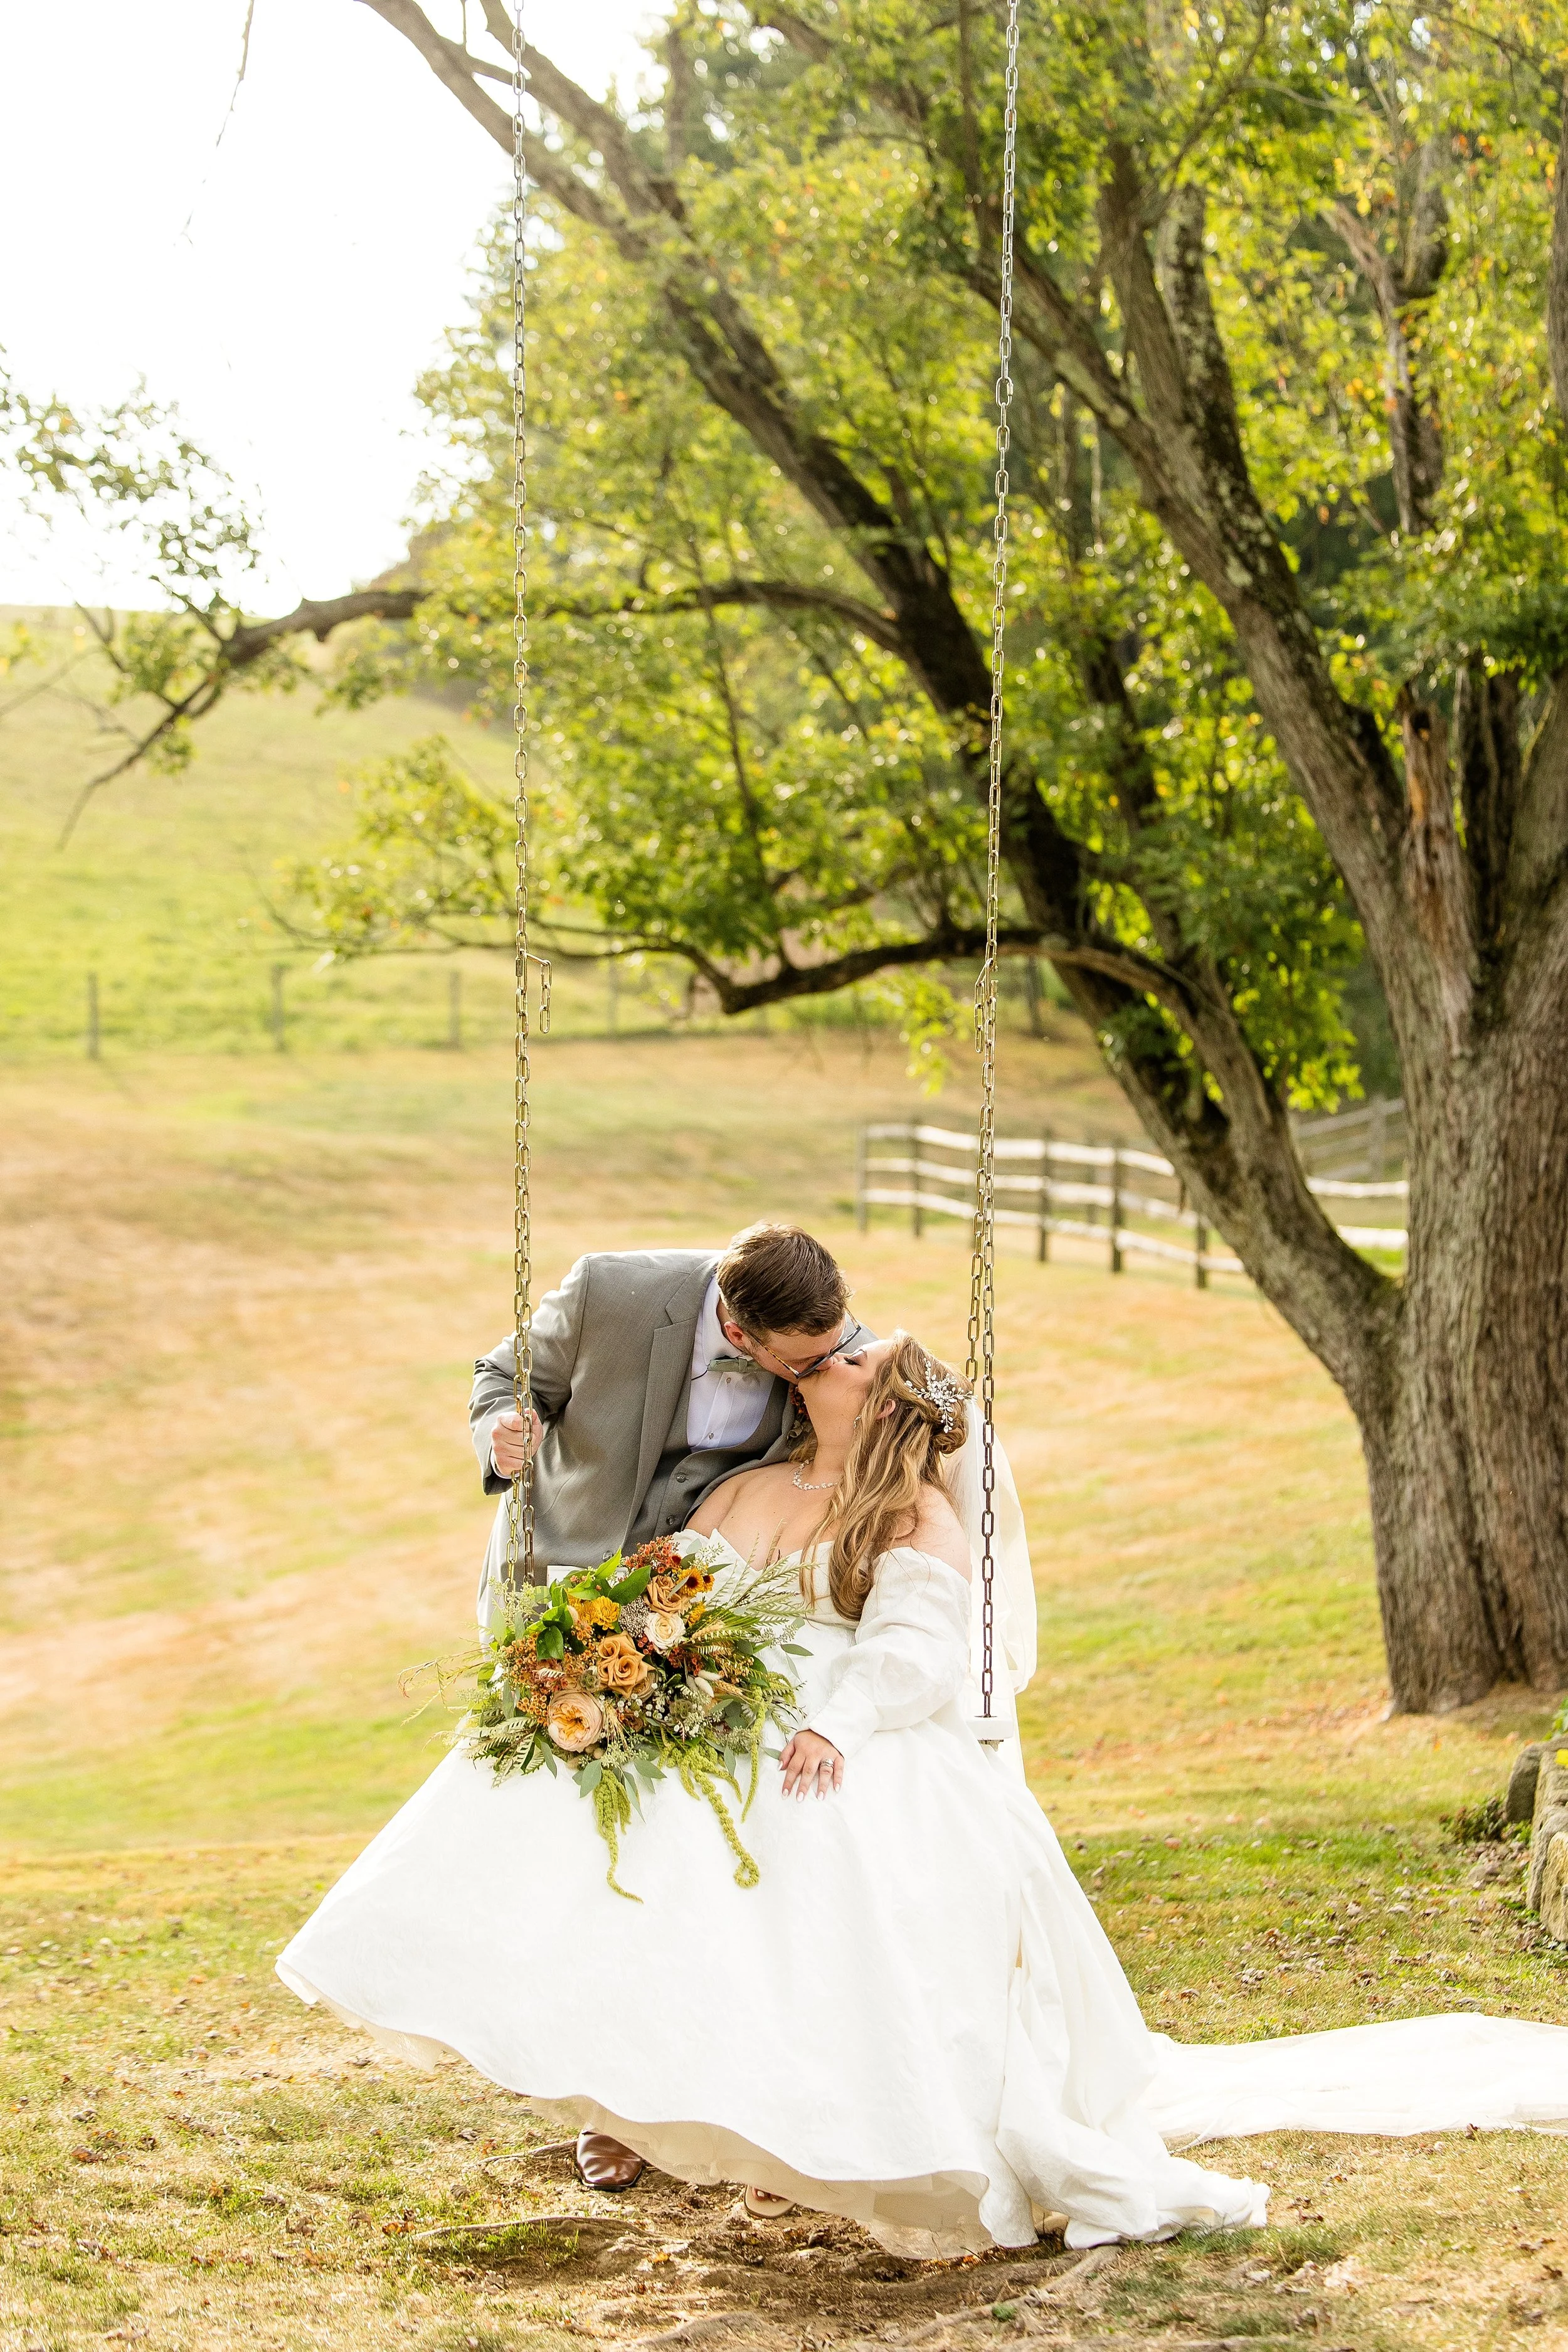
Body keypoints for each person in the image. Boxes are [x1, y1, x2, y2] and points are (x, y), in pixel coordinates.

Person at [278, 1335, 1568, 2250]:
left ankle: (814, 2108)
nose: (819, 1358)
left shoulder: (906, 1520)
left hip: (849, 1728)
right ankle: (576, 2051)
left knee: (816, 1838)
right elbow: (682, 1580)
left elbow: (914, 1655)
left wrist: (830, 1722)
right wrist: (603, 1641)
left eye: (844, 1356)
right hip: (732, 1704)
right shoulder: (748, 1487)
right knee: (568, 1771)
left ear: (883, 1398)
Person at [465, 1219, 871, 2189]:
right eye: (806, 1360)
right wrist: (501, 1432)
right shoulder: (610, 1289)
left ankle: (641, 2099)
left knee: (668, 1853)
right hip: (565, 1592)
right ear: (739, 1334)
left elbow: (884, 1409)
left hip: (702, 1611)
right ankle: (592, 2083)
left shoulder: (829, 1335)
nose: (832, 1361)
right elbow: (497, 1378)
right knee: (575, 1849)